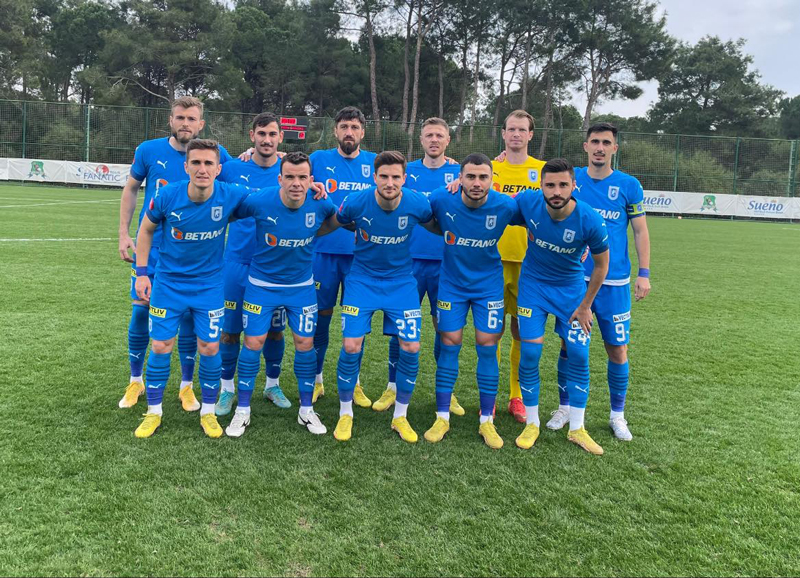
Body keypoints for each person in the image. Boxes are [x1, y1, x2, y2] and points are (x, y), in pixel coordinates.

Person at [118, 96, 232, 412]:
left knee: (190, 318)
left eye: (191, 118)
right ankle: (136, 380)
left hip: (194, 255)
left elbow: (242, 177)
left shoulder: (216, 154)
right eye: (180, 117)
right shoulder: (148, 150)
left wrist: (260, 155)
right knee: (140, 312)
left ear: (201, 124)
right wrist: (124, 233)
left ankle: (186, 386)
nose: (185, 123)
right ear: (170, 120)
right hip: (153, 250)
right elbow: (131, 188)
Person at [132, 139, 248, 438]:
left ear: (218, 169)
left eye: (209, 163)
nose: (202, 168)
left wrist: (308, 188)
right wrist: (142, 273)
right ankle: (154, 412)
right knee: (161, 346)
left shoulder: (231, 194)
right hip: (168, 285)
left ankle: (208, 412)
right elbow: (145, 230)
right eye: (196, 162)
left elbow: (271, 199)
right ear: (186, 167)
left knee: (209, 347)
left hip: (209, 287)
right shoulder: (167, 195)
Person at [545, 123, 651, 441]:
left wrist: (644, 274)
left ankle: (617, 415)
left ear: (615, 148)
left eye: (606, 142)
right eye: (595, 142)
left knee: (617, 349)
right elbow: (541, 184)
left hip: (615, 282)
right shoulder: (572, 180)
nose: (600, 147)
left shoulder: (629, 185)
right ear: (586, 146)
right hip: (575, 281)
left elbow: (640, 231)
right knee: (569, 346)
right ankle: (565, 408)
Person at [226, 152, 343, 437]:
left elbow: (335, 220)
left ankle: (306, 410)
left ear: (311, 180)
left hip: (301, 288)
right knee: (253, 342)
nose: (296, 183)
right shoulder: (259, 200)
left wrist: (313, 231)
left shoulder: (320, 202)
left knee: (305, 343)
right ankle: (243, 410)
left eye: (302, 177)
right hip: (261, 285)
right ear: (280, 178)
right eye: (289, 177)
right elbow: (229, 214)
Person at [332, 151, 438, 443]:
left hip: (401, 283)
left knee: (411, 346)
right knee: (351, 345)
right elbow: (341, 220)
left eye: (395, 177)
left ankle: (400, 416)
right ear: (374, 177)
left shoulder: (417, 203)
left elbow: (435, 223)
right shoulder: (356, 202)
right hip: (361, 280)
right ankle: (345, 413)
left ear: (404, 178)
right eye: (384, 176)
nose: (390, 183)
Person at [423, 153, 520, 449]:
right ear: (460, 178)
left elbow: (543, 217)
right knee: (449, 343)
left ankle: (487, 421)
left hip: (488, 287)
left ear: (492, 179)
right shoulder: (441, 198)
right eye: (470, 177)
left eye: (483, 177)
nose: (477, 183)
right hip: (451, 286)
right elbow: (417, 212)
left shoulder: (506, 205)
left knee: (487, 347)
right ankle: (442, 417)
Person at [513, 158, 610, 455]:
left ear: (573, 186)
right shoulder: (528, 203)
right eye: (550, 185)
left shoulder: (589, 219)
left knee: (579, 354)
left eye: (563, 185)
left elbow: (601, 266)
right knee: (530, 353)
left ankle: (577, 428)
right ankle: (532, 423)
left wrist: (585, 306)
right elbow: (491, 203)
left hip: (571, 292)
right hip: (533, 288)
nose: (556, 191)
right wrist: (458, 184)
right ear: (541, 186)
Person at [373, 117, 464, 416]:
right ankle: (392, 387)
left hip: (446, 263)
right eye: (429, 135)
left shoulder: (460, 174)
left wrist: (462, 182)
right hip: (407, 262)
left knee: (444, 327)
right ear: (421, 139)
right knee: (401, 326)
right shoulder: (405, 172)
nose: (434, 140)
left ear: (448, 140)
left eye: (439, 135)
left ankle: (446, 391)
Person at [215, 113, 289, 416]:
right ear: (252, 136)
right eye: (261, 134)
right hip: (236, 263)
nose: (267, 140)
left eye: (272, 134)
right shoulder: (232, 168)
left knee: (274, 330)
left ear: (280, 137)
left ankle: (272, 385)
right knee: (230, 331)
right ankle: (226, 389)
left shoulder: (289, 171)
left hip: (274, 267)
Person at [310, 107, 377, 407]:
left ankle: (355, 382)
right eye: (344, 127)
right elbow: (286, 171)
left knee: (356, 325)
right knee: (320, 320)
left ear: (363, 131)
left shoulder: (375, 162)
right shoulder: (318, 159)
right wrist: (248, 152)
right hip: (323, 254)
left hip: (361, 258)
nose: (349, 132)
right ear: (335, 130)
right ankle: (316, 380)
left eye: (354, 127)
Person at [491, 110, 547, 423]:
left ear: (530, 135)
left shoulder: (542, 170)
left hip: (531, 264)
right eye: (511, 129)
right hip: (492, 260)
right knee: (492, 329)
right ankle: (490, 394)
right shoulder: (489, 169)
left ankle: (517, 396)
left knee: (521, 331)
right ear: (503, 133)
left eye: (521, 129)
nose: (516, 134)